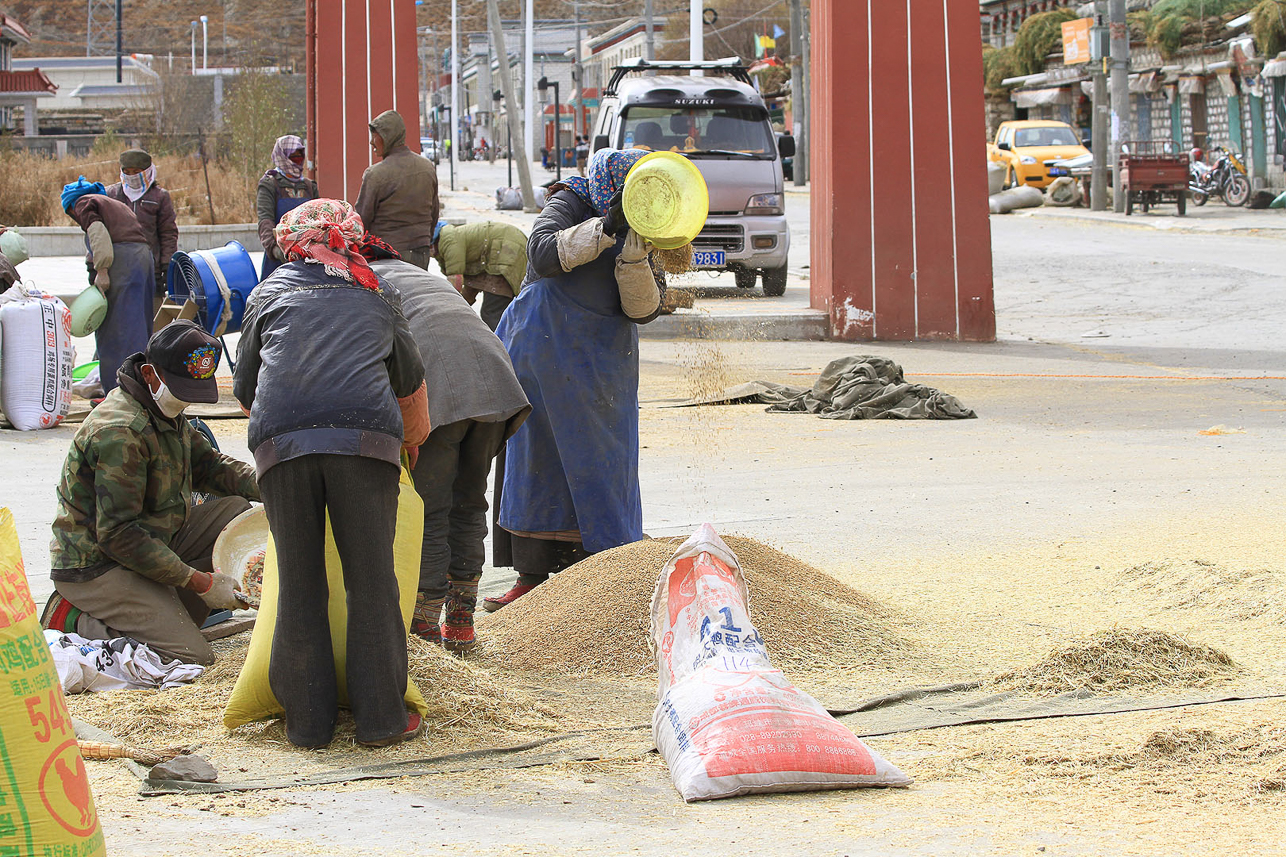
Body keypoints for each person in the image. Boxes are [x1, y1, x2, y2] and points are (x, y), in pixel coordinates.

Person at [233, 199, 429, 749]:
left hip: (281, 445)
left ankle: (307, 725)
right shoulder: (376, 292)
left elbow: (246, 388)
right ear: (350, 240)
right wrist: (409, 442)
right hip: (364, 444)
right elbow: (409, 381)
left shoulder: (266, 295)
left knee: (297, 581)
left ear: (290, 242)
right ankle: (383, 722)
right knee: (371, 581)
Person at [483, 148, 664, 612]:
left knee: (605, 459)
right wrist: (605, 230)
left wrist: (634, 258)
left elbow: (644, 310)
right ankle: (532, 578)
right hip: (546, 346)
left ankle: (603, 574)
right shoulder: (571, 200)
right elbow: (542, 253)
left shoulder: (649, 224)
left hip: (605, 358)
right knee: (538, 458)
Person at [41, 322, 259, 666]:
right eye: (182, 390)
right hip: (99, 564)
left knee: (237, 512)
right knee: (190, 655)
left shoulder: (164, 409)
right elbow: (119, 537)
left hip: (153, 537)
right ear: (150, 375)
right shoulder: (120, 431)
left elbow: (211, 467)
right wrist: (200, 582)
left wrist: (274, 483)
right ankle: (78, 621)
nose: (187, 400)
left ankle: (159, 605)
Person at [358, 233, 530, 651]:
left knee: (431, 509)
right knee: (468, 501)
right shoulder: (420, 274)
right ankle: (461, 625)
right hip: (495, 383)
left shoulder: (363, 284)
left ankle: (425, 631)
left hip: (442, 390)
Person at [62, 176, 155, 396]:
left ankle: (117, 393)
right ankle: (142, 390)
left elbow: (98, 235)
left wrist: (102, 270)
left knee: (115, 331)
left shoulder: (84, 203)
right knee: (138, 328)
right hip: (143, 259)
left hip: (121, 262)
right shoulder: (114, 205)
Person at [355, 110, 440, 270]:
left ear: (388, 137)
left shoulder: (375, 174)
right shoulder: (427, 167)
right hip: (420, 253)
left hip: (387, 254)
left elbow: (362, 220)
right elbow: (434, 213)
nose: (371, 142)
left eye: (375, 136)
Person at [104, 148, 178, 319]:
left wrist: (167, 267)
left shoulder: (159, 197)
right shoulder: (111, 195)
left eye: (137, 172)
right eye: (127, 172)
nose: (132, 176)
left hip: (150, 272)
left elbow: (168, 233)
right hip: (118, 271)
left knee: (153, 322)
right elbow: (100, 233)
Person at [430, 220, 528, 332]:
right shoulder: (452, 243)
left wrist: (447, 311)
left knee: (491, 311)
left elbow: (455, 281)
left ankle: (502, 345)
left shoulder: (449, 242)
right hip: (500, 250)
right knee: (498, 311)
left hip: (506, 250)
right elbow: (469, 288)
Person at [256, 135, 319, 280]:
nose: (298, 159)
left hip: (307, 258)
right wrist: (275, 249)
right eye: (293, 156)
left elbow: (319, 220)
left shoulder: (309, 186)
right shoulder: (270, 184)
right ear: (282, 156)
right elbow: (265, 220)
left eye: (300, 155)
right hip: (278, 259)